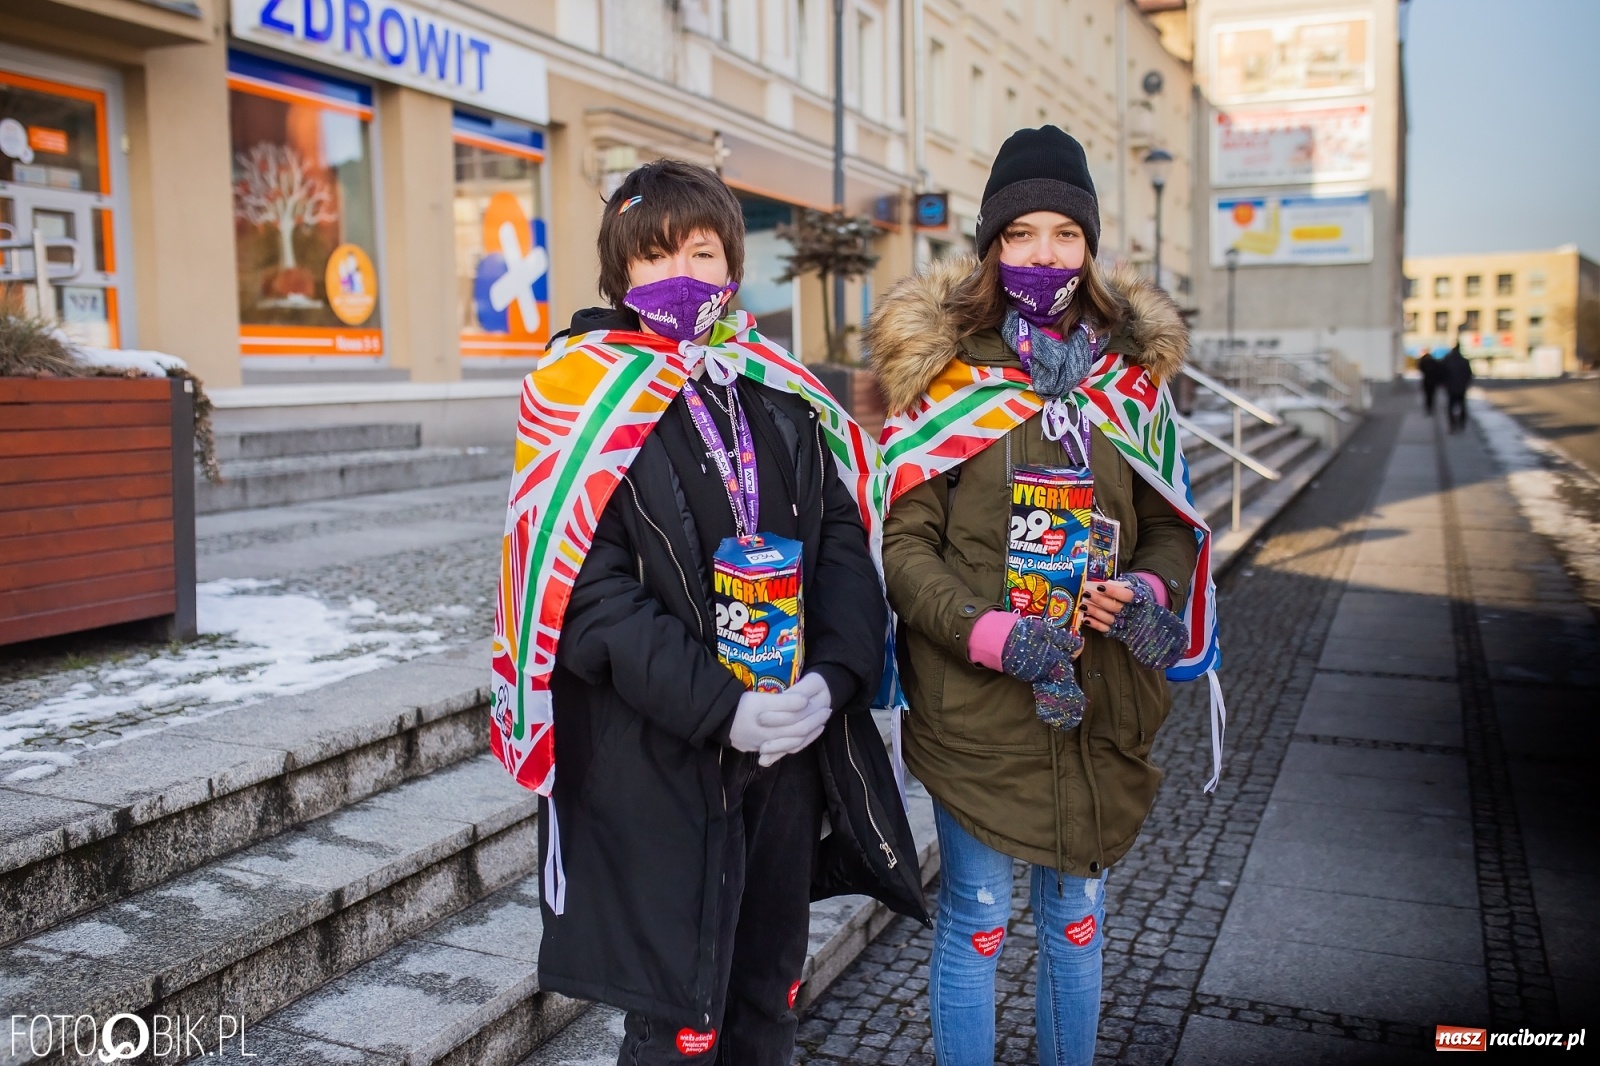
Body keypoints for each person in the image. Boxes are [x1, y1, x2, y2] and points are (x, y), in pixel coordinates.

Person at [489, 160, 922, 1066]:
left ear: (732, 265)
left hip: (785, 760)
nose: (679, 273)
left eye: (700, 250)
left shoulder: (774, 389)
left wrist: (831, 678)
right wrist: (724, 707)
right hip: (661, 758)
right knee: (678, 1024)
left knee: (768, 995)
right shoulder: (576, 398)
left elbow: (842, 536)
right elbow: (588, 595)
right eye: (653, 257)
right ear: (619, 277)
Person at [870, 127, 1210, 1066]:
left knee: (1075, 918)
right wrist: (987, 633)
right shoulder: (945, 377)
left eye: (1066, 233)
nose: (1045, 254)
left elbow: (1173, 525)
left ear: (1091, 249)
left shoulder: (1130, 386)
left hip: (1096, 699)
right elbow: (903, 544)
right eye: (1023, 233)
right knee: (976, 919)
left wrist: (1144, 589)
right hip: (976, 702)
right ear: (991, 247)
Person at [1442, 342, 1474, 432]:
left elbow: (1442, 374)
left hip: (1451, 388)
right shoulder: (1464, 361)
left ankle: (1452, 424)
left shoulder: (1447, 360)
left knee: (1450, 406)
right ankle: (1461, 423)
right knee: (1462, 406)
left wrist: (1445, 384)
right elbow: (1469, 375)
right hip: (1461, 388)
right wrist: (1465, 384)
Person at [1417, 350, 1442, 414]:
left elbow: (1421, 368)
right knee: (1432, 395)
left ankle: (1428, 407)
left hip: (1427, 381)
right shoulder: (1433, 361)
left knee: (1427, 395)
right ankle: (1431, 407)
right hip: (1432, 381)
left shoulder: (1423, 361)